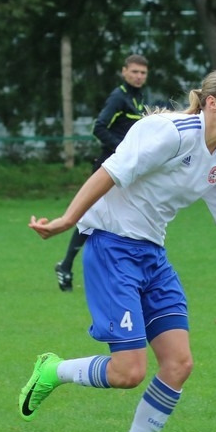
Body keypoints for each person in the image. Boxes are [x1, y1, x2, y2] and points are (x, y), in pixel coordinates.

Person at [24, 69, 216, 432]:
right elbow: (109, 172)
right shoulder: (171, 133)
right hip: (112, 248)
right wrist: (67, 220)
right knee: (127, 372)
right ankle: (53, 370)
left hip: (152, 255)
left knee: (179, 364)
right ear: (212, 103)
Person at [55, 54, 150, 292]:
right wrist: (123, 149)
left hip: (127, 168)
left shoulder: (139, 98)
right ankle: (66, 266)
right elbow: (99, 127)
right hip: (109, 167)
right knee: (92, 218)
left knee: (120, 217)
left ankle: (121, 270)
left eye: (143, 73)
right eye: (134, 71)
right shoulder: (119, 97)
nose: (138, 76)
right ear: (124, 71)